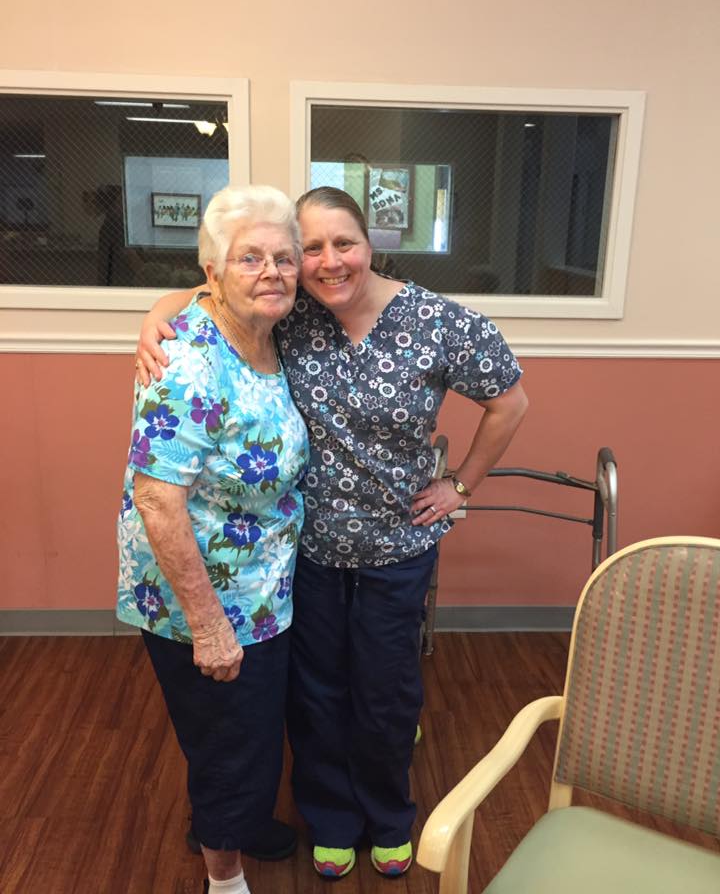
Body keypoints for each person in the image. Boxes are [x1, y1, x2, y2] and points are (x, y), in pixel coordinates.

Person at [135, 186, 528, 880]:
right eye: (309, 248)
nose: (326, 261)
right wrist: (154, 315)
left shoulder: (437, 321)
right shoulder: (295, 312)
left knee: (386, 693)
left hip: (397, 549)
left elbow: (510, 401)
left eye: (342, 243)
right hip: (306, 552)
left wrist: (460, 486)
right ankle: (331, 819)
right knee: (316, 694)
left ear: (370, 245)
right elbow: (213, 292)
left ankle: (388, 815)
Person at [118, 185, 310, 894]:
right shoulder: (189, 362)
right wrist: (208, 625)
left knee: (250, 734)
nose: (271, 271)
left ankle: (240, 823)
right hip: (205, 598)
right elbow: (157, 498)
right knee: (230, 746)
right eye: (249, 258)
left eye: (283, 257)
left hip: (260, 584)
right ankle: (224, 878)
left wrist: (158, 305)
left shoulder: (266, 329)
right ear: (214, 272)